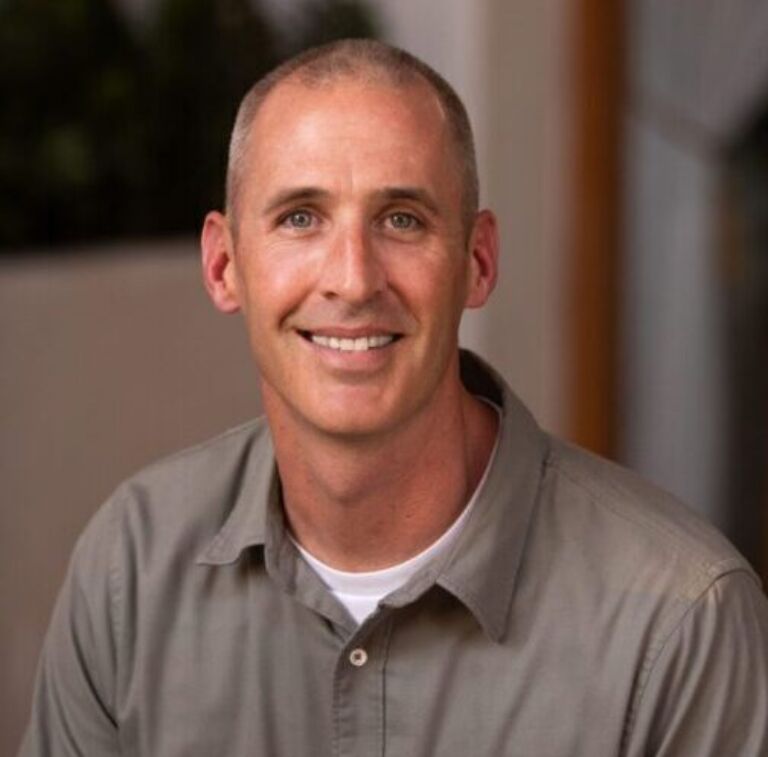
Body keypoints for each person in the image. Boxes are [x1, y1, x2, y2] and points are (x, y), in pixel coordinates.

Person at [20, 39, 768, 757]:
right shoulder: (132, 568)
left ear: (477, 262)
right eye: (301, 218)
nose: (352, 277)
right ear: (223, 265)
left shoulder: (682, 619)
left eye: (402, 220)